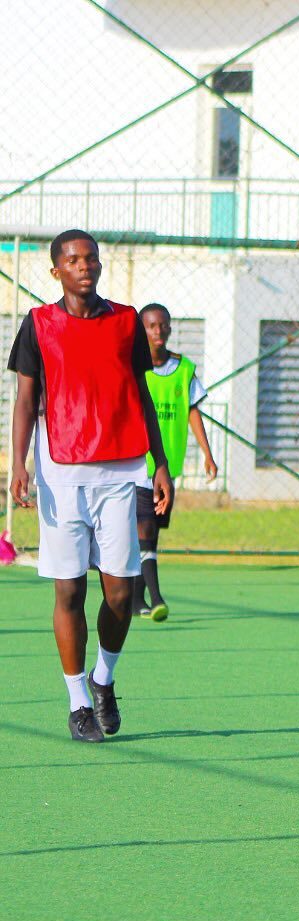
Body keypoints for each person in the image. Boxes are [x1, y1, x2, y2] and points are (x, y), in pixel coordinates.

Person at [7, 230, 173, 742]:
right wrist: (17, 462)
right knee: (70, 589)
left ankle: (104, 678)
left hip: (121, 471)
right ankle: (78, 701)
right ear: (57, 271)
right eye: (74, 260)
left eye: (92, 258)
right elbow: (24, 398)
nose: (85, 266)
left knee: (122, 593)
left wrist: (160, 462)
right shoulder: (38, 325)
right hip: (61, 472)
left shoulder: (127, 323)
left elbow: (142, 395)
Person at [132, 303, 218, 622]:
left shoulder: (183, 369)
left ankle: (135, 599)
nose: (158, 331)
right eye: (151, 326)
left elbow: (193, 410)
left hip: (168, 468)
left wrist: (207, 454)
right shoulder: (133, 368)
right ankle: (155, 598)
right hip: (138, 463)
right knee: (144, 527)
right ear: (142, 330)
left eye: (163, 325)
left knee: (150, 533)